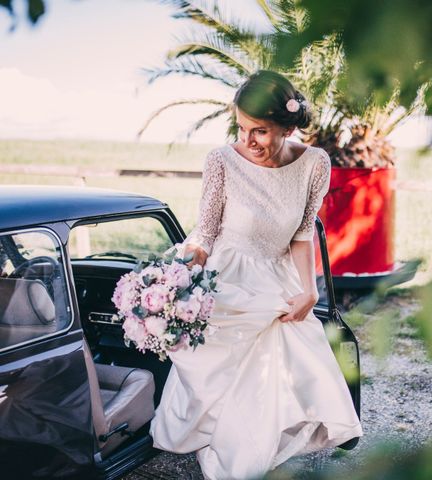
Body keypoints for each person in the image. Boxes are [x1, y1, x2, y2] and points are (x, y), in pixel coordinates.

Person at [150, 70, 363, 479]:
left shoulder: (315, 164)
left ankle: (241, 464)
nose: (248, 141)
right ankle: (227, 463)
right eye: (242, 128)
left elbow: (302, 233)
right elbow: (207, 230)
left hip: (277, 285)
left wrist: (309, 290)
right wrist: (184, 265)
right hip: (226, 282)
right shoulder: (221, 161)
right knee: (221, 384)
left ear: (287, 126)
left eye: (260, 131)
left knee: (268, 389)